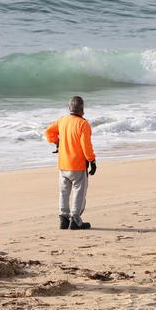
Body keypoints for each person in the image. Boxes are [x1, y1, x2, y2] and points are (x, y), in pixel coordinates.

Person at [45, 96, 96, 230]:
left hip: (63, 164)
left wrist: (57, 143)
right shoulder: (83, 124)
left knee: (64, 192)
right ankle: (75, 219)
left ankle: (63, 218)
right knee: (79, 191)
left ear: (69, 108)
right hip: (78, 165)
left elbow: (49, 131)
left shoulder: (62, 120)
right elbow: (86, 145)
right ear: (82, 110)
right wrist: (92, 160)